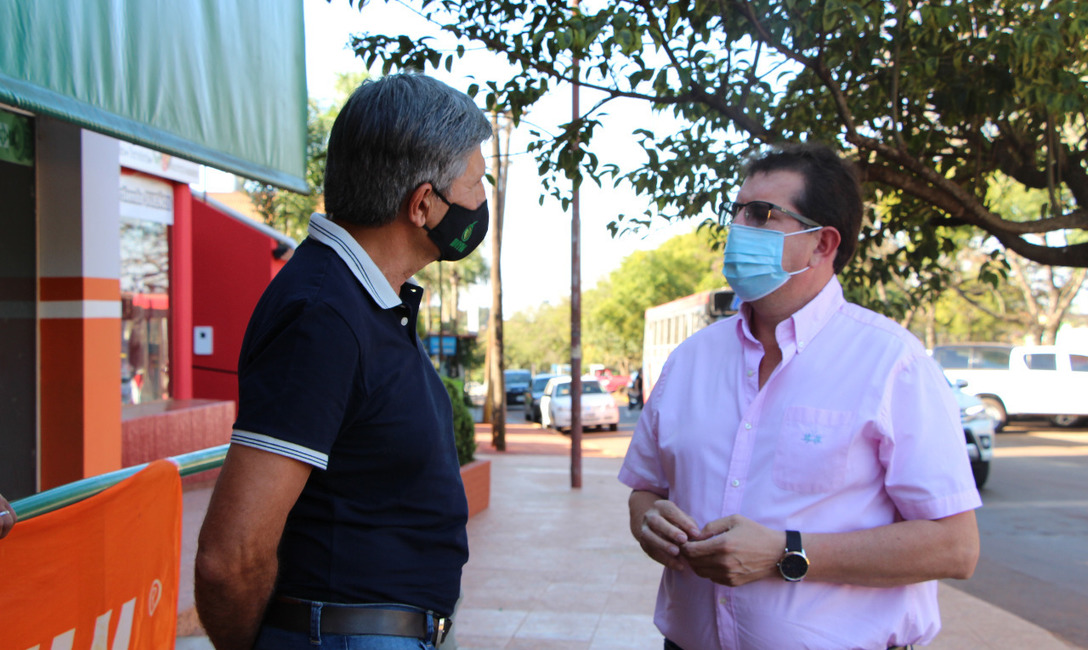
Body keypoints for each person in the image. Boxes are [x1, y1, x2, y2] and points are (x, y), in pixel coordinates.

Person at [619, 143, 981, 650]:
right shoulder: (689, 361)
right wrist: (649, 521)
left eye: (762, 214)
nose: (738, 228)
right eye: (737, 211)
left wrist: (784, 553)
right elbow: (646, 489)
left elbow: (954, 548)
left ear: (822, 244)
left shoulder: (892, 362)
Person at [195, 73, 492, 650]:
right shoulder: (322, 316)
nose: (482, 201)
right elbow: (229, 558)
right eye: (477, 182)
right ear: (424, 204)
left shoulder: (365, 301)